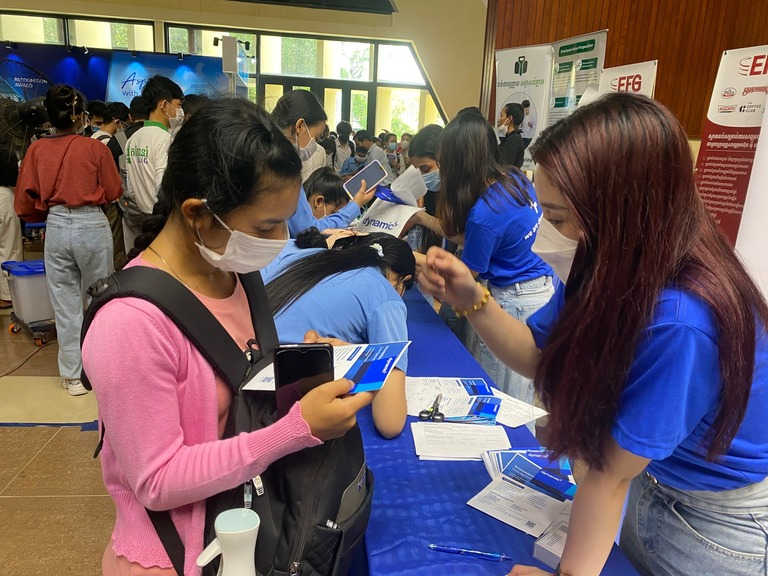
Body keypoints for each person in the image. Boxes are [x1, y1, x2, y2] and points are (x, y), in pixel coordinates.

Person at [416, 93, 768, 576]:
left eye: (557, 217)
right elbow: (542, 354)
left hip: (708, 523)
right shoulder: (610, 259)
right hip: (652, 481)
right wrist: (473, 300)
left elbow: (609, 473)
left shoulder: (682, 320)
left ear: (618, 207)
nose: (545, 233)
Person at [81, 99, 374, 576]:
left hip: (250, 531)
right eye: (266, 226)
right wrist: (294, 431)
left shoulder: (237, 274)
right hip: (184, 556)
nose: (282, 238)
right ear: (199, 213)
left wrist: (308, 363)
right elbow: (157, 479)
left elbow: (238, 380)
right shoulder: (131, 323)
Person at [411, 109, 554, 402]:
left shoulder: (485, 214)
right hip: (541, 289)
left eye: (440, 163)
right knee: (520, 391)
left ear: (456, 164)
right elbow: (480, 237)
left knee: (501, 396)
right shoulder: (514, 180)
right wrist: (422, 219)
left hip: (515, 300)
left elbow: (463, 278)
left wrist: (411, 257)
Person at [15, 84, 122, 396]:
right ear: (81, 115)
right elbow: (114, 191)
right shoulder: (96, 149)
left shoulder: (36, 150)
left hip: (57, 224)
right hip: (92, 224)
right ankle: (99, 369)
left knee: (64, 305)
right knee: (99, 302)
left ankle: (72, 376)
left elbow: (24, 201)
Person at [262, 228, 414, 438]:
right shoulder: (386, 296)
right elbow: (390, 423)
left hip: (236, 367)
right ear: (402, 282)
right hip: (276, 407)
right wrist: (362, 357)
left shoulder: (304, 253)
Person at [271, 90, 373, 237]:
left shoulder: (268, 155)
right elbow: (306, 230)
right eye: (316, 137)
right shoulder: (283, 166)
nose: (316, 144)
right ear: (300, 126)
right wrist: (354, 205)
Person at [123, 75, 184, 253]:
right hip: (163, 222)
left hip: (142, 218)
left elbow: (131, 188)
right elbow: (163, 185)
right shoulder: (164, 139)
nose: (180, 111)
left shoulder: (133, 140)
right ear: (163, 105)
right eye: (178, 105)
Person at [91, 102, 127, 270]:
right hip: (109, 200)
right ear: (116, 121)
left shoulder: (91, 138)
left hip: (94, 200)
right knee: (115, 244)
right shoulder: (110, 143)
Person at [0, 146, 23, 309]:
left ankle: (7, 295)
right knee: (9, 248)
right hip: (6, 199)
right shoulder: (7, 154)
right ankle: (8, 294)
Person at [497, 102, 525, 169]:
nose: (499, 120)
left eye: (501, 116)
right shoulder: (509, 137)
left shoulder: (514, 139)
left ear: (509, 118)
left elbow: (503, 166)